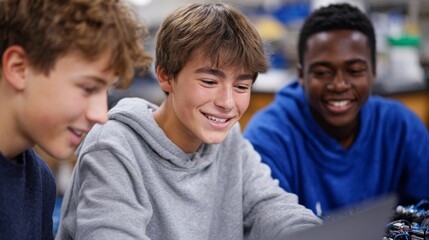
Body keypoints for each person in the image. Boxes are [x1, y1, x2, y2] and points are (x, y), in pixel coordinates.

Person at [56, 3, 321, 240]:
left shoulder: (230, 141)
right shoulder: (114, 147)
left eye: (241, 86)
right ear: (165, 76)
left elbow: (271, 207)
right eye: (209, 82)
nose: (227, 102)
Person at [244, 3, 429, 217]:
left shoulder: (401, 126)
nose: (339, 84)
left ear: (373, 72)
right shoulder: (268, 137)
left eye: (355, 70)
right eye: (322, 72)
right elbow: (267, 223)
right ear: (301, 76)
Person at [0, 0, 152, 239]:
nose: (101, 115)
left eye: (106, 92)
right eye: (88, 88)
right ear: (19, 68)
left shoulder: (39, 181)